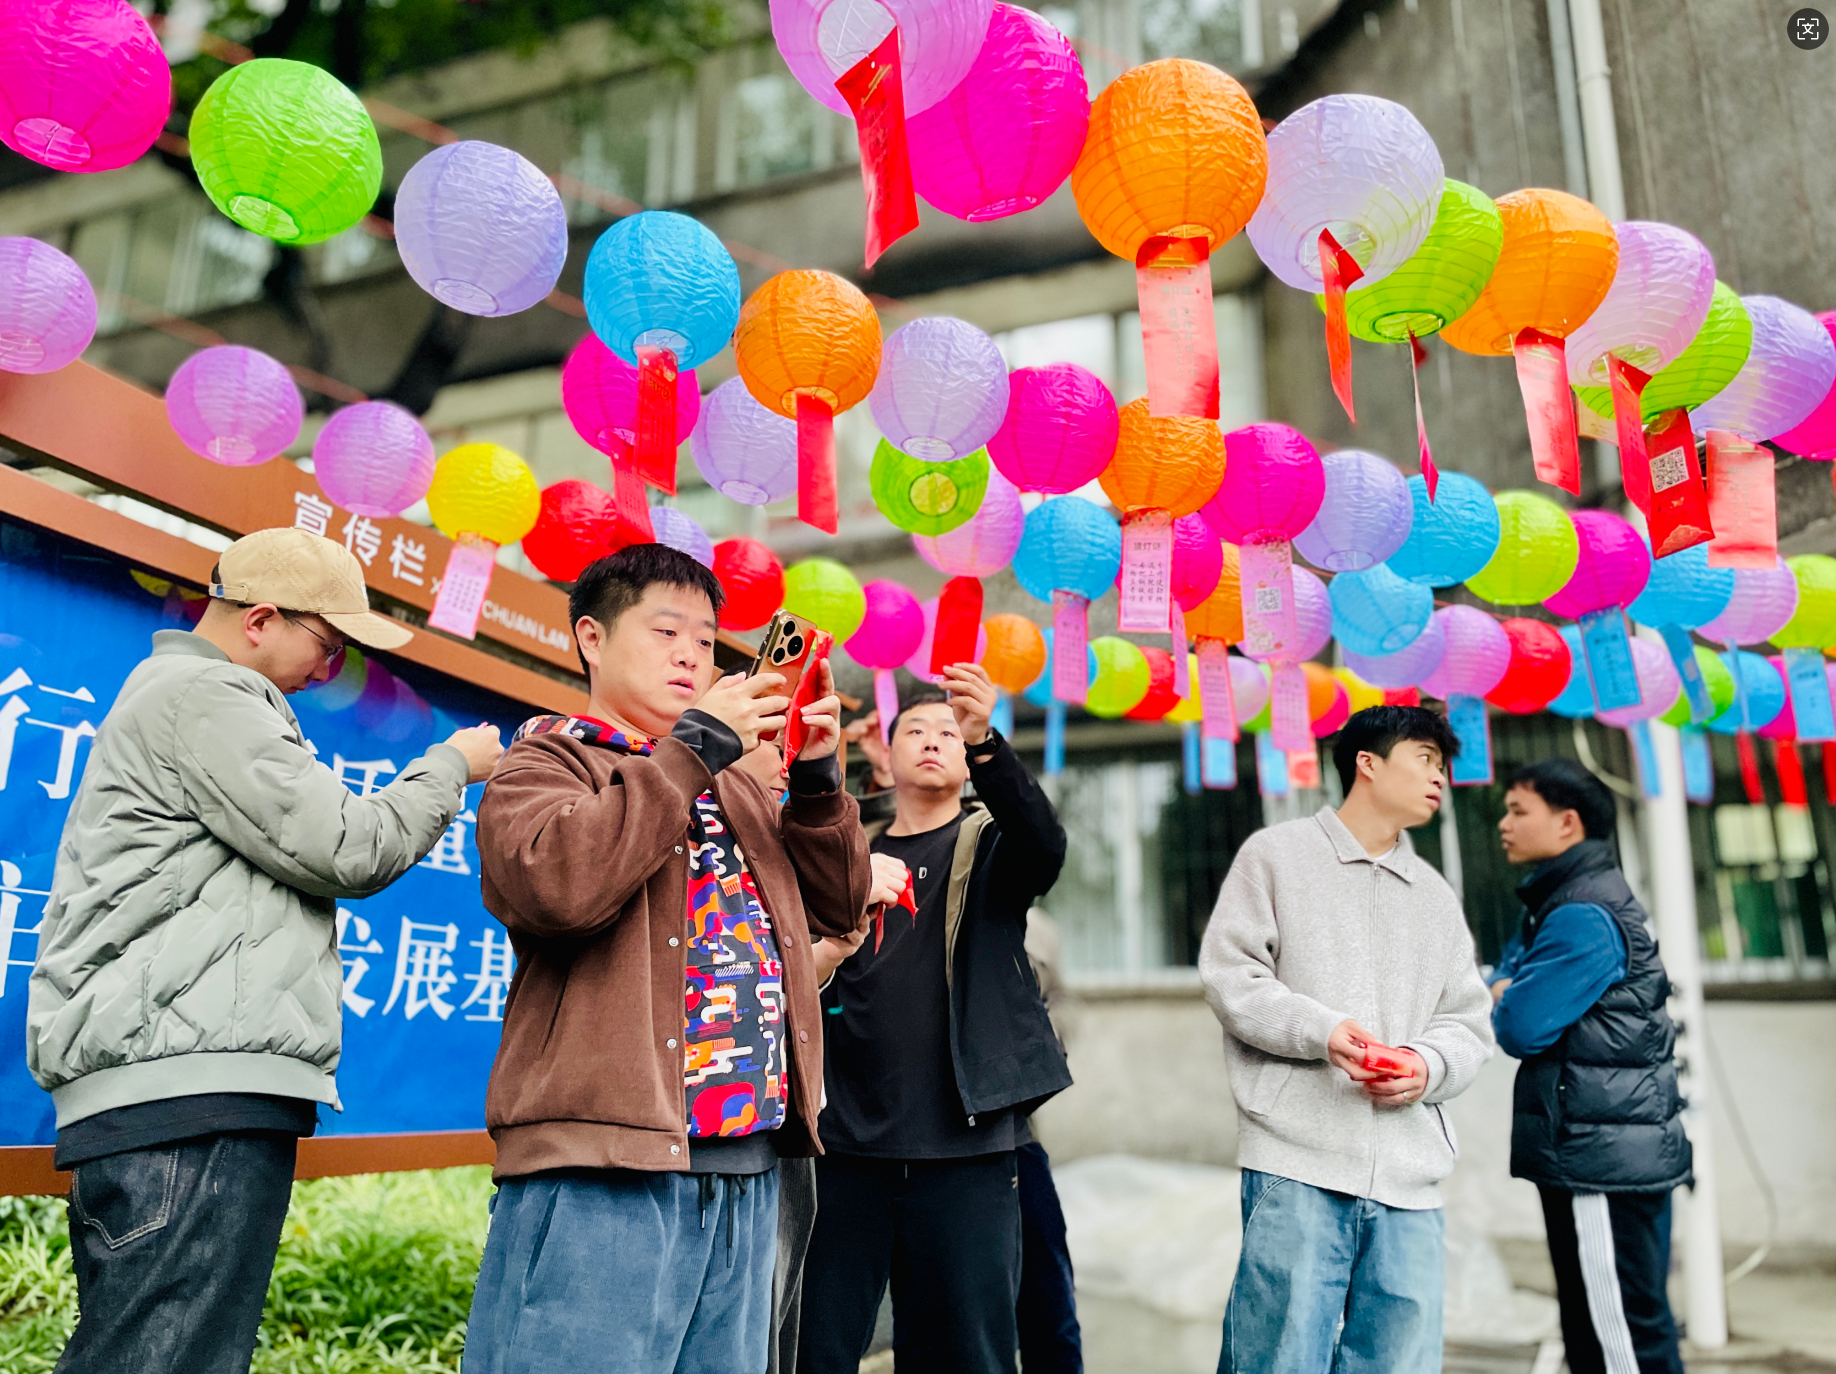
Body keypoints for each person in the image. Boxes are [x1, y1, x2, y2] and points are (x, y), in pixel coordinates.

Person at [28, 526, 502, 1374]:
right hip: (187, 1090)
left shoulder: (183, 696)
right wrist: (450, 765)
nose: (332, 670)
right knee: (165, 1356)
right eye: (327, 644)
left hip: (177, 1088)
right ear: (260, 619)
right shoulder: (208, 697)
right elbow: (351, 847)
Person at [464, 543, 878, 1374]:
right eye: (666, 631)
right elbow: (558, 887)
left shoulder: (740, 786)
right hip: (605, 1168)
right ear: (590, 636)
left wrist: (818, 776)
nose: (693, 653)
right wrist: (693, 751)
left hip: (751, 1162)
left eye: (706, 638)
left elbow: (840, 905)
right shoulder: (547, 761)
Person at [1199, 704, 1495, 1374]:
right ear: (1367, 763)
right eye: (1425, 758)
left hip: (1411, 1177)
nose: (1439, 777)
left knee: (1398, 1364)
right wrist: (1321, 1029)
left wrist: (1425, 1065)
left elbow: (1469, 1021)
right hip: (1297, 1162)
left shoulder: (1434, 894)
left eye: (1442, 765)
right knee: (1277, 1359)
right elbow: (1230, 976)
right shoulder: (1275, 856)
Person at [798, 667, 1072, 1374]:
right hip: (846, 1148)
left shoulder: (992, 847)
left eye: (947, 732)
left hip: (964, 1152)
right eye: (913, 730)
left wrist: (987, 740)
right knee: (817, 1347)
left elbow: (1044, 843)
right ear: (885, 757)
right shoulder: (849, 850)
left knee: (969, 1353)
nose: (930, 741)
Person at [1493, 760, 1690, 1374]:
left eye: (1518, 810)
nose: (1503, 824)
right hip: (1604, 1150)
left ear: (1567, 823)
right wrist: (1509, 986)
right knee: (1603, 1330)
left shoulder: (1582, 913)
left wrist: (1506, 992)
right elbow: (1507, 975)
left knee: (1619, 1339)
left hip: (1597, 1163)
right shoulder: (1563, 900)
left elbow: (1519, 1023)